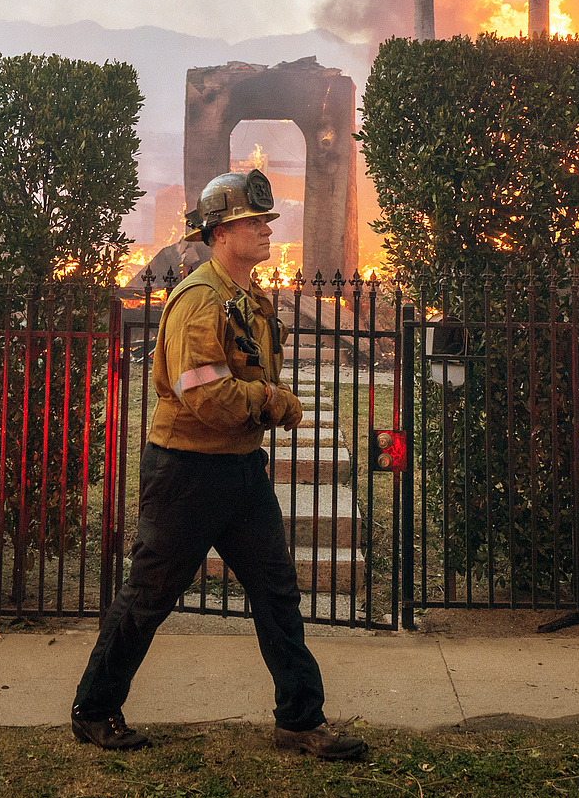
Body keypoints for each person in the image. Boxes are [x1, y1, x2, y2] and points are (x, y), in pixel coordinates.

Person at [70, 168, 369, 762]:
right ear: (220, 232)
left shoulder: (245, 299)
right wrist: (272, 402)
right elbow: (203, 394)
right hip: (185, 473)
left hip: (237, 469)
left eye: (263, 221)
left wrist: (261, 400)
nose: (265, 230)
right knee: (150, 595)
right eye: (252, 222)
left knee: (278, 592)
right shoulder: (199, 301)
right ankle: (95, 709)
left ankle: (300, 720)